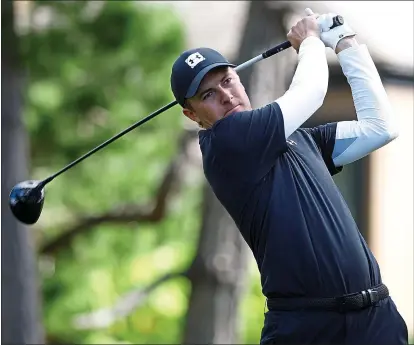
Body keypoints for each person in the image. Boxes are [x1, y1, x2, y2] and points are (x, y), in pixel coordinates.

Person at [170, 8, 408, 345]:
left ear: (239, 77)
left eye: (227, 80)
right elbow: (310, 93)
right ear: (192, 114)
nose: (225, 94)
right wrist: (310, 41)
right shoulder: (226, 142)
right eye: (208, 94)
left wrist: (345, 42)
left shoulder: (299, 138)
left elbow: (380, 128)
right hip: (308, 328)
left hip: (376, 320)